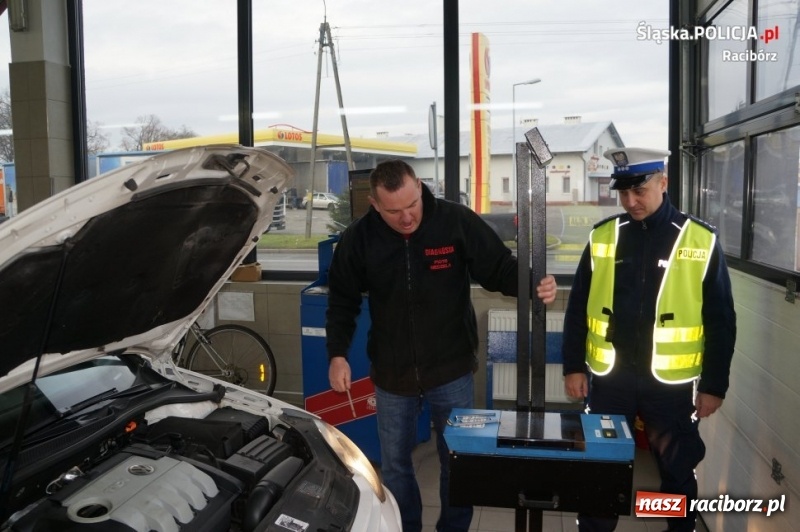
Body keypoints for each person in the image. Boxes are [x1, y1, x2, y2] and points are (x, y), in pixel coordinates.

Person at [325, 159, 557, 532]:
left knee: (457, 461)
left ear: (419, 186)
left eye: (412, 205)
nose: (406, 218)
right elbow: (342, 300)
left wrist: (533, 284)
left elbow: (498, 268)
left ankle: (453, 528)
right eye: (394, 211)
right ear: (375, 204)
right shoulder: (360, 238)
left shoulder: (455, 221)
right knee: (395, 466)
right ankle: (406, 527)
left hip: (451, 370)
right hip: (392, 373)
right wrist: (337, 354)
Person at [562, 147, 737, 532]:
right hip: (610, 381)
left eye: (639, 191)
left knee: (676, 473)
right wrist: (573, 366)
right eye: (623, 193)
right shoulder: (604, 236)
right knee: (602, 469)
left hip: (670, 387)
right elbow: (578, 307)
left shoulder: (699, 240)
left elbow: (721, 320)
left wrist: (714, 386)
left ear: (663, 182)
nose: (630, 201)